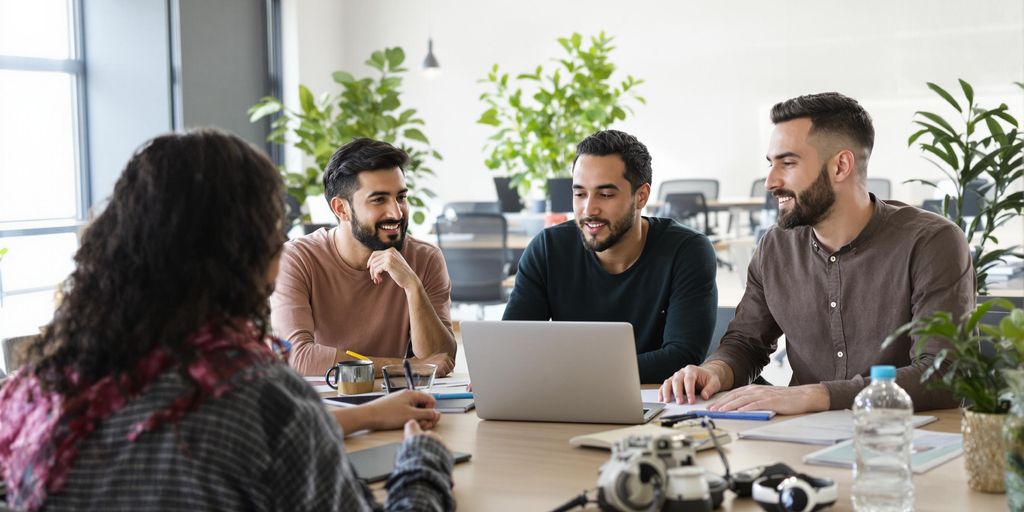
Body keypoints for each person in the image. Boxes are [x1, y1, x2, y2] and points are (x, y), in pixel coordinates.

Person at [0, 129, 454, 511]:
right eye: (272, 233)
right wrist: (422, 464)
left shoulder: (35, 394)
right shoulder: (265, 405)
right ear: (251, 258)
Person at [660, 92, 973, 414]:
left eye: (788, 163)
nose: (770, 181)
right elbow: (746, 343)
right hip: (801, 437)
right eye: (770, 164)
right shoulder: (775, 246)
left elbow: (945, 373)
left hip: (903, 438)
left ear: (840, 166)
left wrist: (818, 396)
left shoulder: (931, 242)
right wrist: (715, 371)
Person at [502, 130, 718, 383]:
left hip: (657, 405)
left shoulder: (688, 250)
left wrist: (568, 372)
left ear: (641, 196)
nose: (589, 209)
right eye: (580, 193)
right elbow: (511, 348)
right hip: (570, 400)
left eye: (605, 195)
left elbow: (681, 357)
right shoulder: (548, 248)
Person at [271, 138, 457, 377]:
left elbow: (440, 360)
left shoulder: (425, 258)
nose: (396, 212)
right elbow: (297, 358)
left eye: (401, 197)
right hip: (325, 406)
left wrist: (413, 287)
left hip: (397, 402)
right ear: (341, 209)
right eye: (379, 200)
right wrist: (404, 367)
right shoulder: (297, 259)